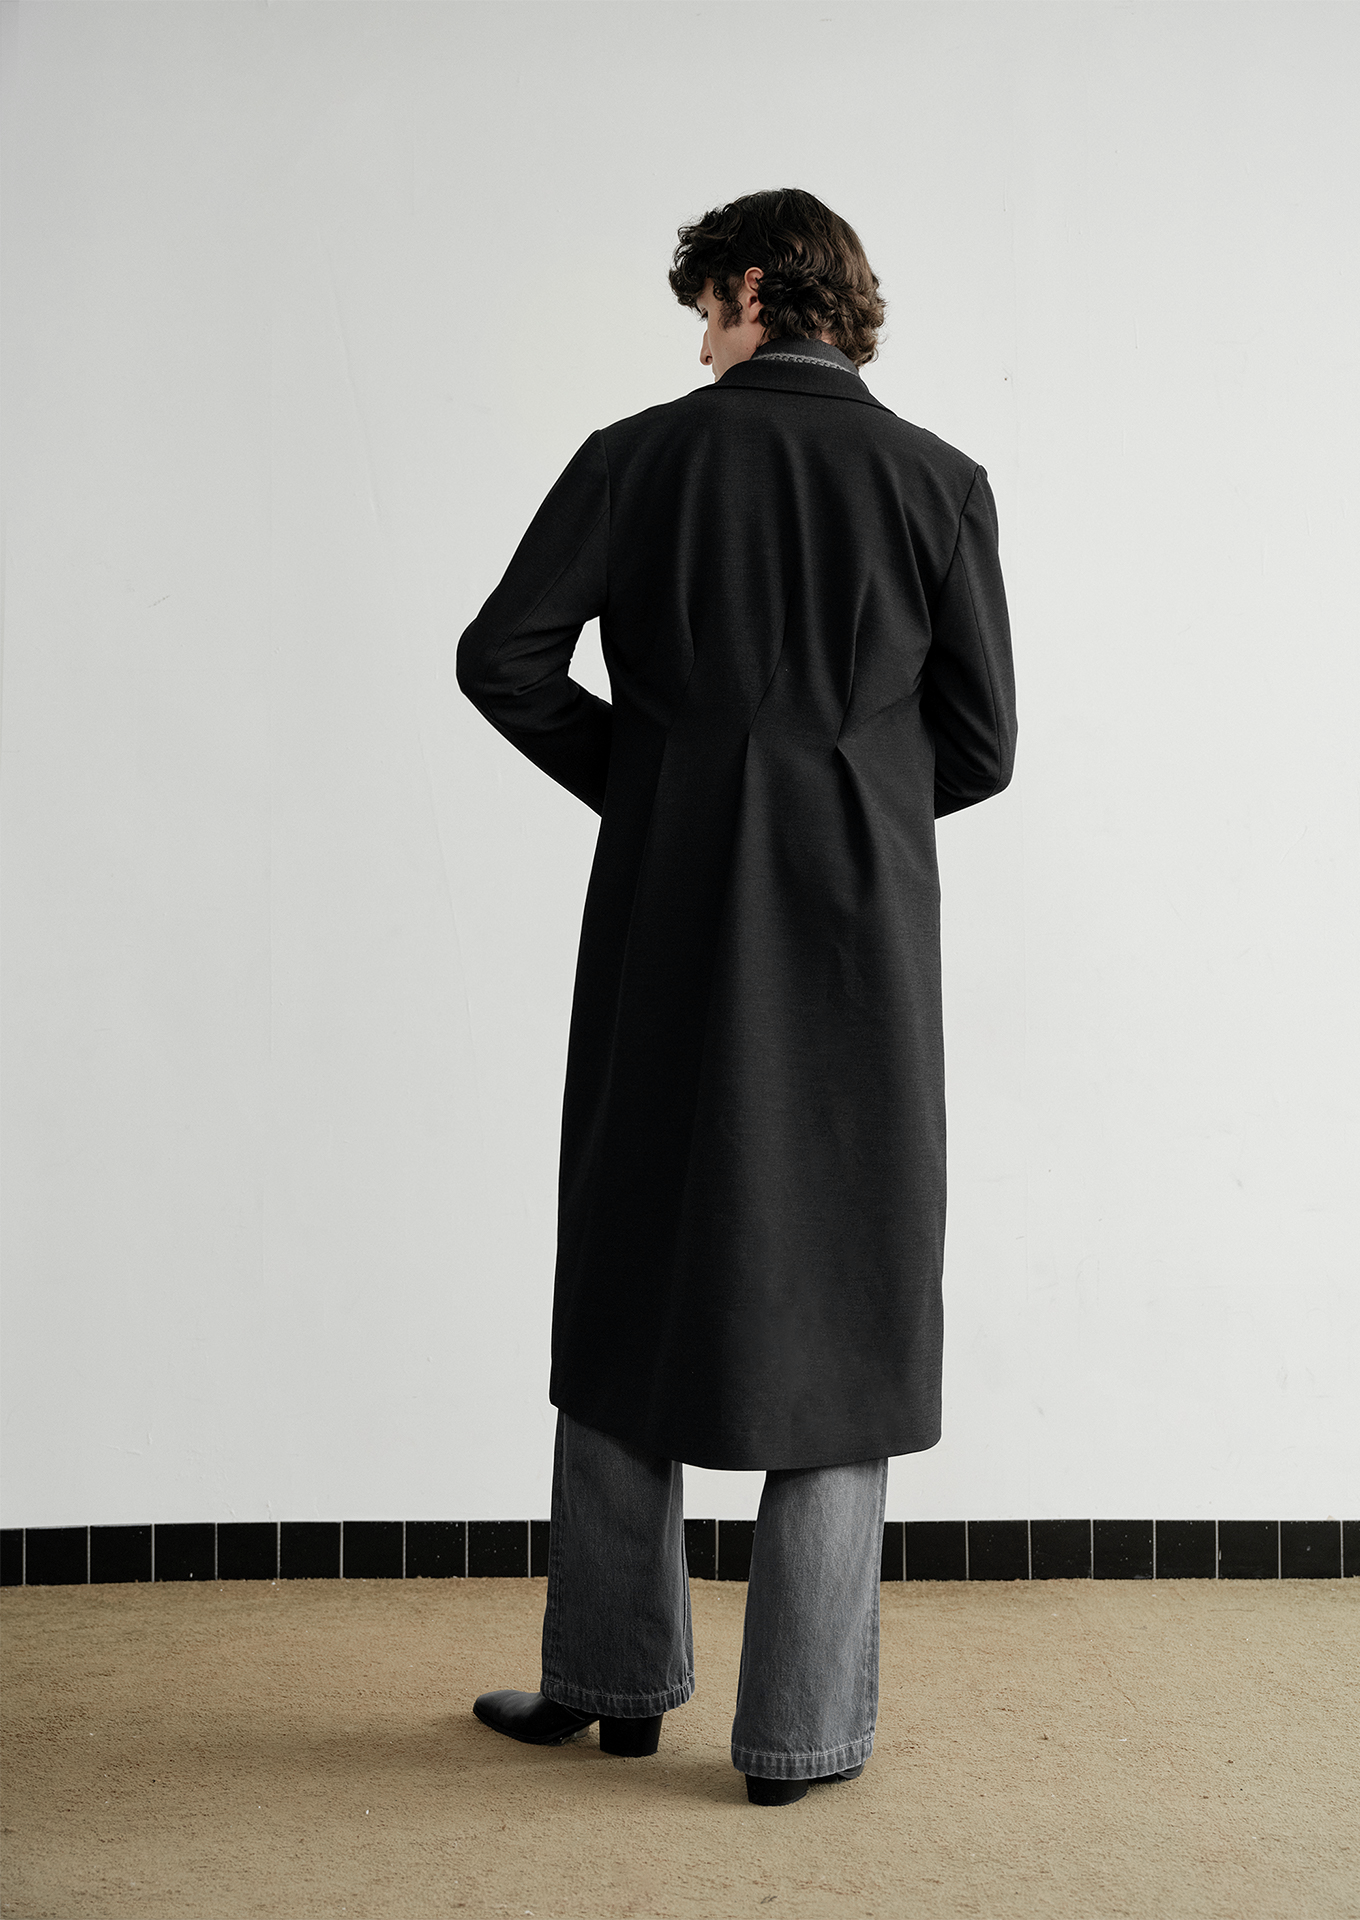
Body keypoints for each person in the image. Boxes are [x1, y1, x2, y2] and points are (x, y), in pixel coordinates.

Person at [457, 188, 1016, 1807]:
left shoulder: (637, 457)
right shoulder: (939, 480)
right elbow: (981, 745)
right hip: (858, 940)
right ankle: (797, 1738)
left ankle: (612, 1678)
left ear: (754, 288)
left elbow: (504, 658)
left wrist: (663, 788)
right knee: (847, 1283)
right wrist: (845, 804)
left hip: (671, 912)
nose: (698, 344)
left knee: (629, 1254)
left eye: (704, 309)